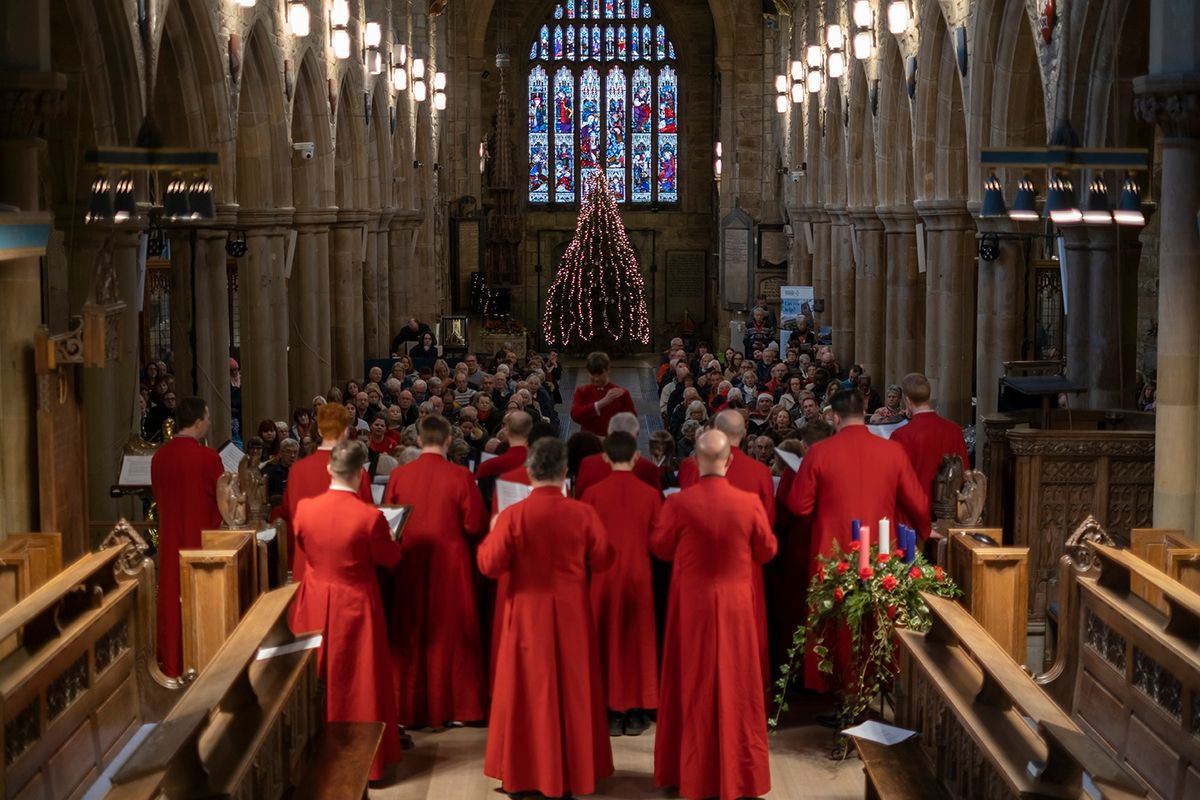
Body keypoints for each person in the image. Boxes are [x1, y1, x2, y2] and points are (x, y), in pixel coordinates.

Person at [478, 439, 614, 797]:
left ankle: (525, 772)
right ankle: (572, 770)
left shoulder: (513, 515)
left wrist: (495, 531)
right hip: (571, 611)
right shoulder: (581, 513)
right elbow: (603, 559)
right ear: (564, 472)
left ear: (531, 472)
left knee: (526, 691)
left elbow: (489, 565)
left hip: (526, 612)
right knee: (572, 690)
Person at [652, 430, 775, 800]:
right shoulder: (748, 503)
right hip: (736, 604)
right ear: (729, 460)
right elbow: (767, 550)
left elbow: (659, 546)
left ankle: (688, 770)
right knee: (738, 685)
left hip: (692, 605)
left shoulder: (680, 503)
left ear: (695, 461)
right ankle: (741, 774)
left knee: (691, 683)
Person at [786, 389, 928, 691]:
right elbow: (917, 503)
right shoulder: (891, 451)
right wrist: (924, 535)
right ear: (863, 413)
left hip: (832, 549)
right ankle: (874, 683)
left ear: (834, 417)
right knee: (876, 617)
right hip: (880, 548)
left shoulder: (819, 453)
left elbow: (799, 505)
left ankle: (837, 688)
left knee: (835, 622)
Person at [288, 439, 403, 781]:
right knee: (359, 678)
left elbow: (304, 545)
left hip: (315, 600)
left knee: (318, 676)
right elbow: (389, 557)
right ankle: (367, 762)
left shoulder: (306, 509)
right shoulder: (369, 516)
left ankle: (314, 752)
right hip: (356, 604)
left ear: (328, 469)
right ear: (361, 472)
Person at [382, 415, 487, 729]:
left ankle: (410, 707)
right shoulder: (460, 476)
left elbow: (390, 521)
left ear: (418, 440)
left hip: (410, 562)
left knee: (412, 631)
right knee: (452, 633)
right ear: (449, 441)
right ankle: (456, 706)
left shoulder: (399, 475)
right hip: (450, 565)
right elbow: (474, 524)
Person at [580, 431, 662, 737]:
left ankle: (610, 709)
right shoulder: (650, 495)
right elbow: (660, 542)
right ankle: (637, 708)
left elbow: (585, 541)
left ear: (605, 457)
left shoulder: (592, 493)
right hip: (639, 576)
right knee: (637, 641)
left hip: (602, 577)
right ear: (637, 457)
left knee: (606, 639)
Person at [150, 396, 223, 677]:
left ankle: (172, 664)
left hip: (169, 542)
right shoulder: (208, 457)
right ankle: (202, 661)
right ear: (197, 422)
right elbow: (222, 503)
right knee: (201, 603)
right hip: (201, 542)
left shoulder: (160, 457)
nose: (209, 423)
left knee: (171, 598)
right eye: (207, 418)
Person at [281, 404, 374, 581]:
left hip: (308, 561)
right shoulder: (356, 470)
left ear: (320, 431)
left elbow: (289, 511)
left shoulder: (298, 470)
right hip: (345, 562)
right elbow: (366, 517)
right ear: (346, 431)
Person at [890, 372, 970, 526]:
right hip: (948, 517)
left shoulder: (901, 435)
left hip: (911, 520)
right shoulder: (954, 430)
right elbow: (965, 473)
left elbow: (895, 482)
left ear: (906, 400)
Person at [574, 412, 662, 497]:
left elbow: (579, 495)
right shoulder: (648, 468)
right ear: (634, 436)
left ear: (609, 432)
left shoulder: (587, 464)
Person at [570, 351, 636, 438]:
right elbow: (575, 415)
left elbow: (632, 424)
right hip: (590, 445)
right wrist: (600, 404)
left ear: (608, 370)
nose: (596, 379)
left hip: (613, 446)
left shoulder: (621, 394)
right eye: (592, 374)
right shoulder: (582, 392)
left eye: (600, 374)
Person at [264, 437, 299, 506]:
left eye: (295, 452)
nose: (292, 455)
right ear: (281, 453)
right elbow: (266, 495)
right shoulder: (270, 472)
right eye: (289, 451)